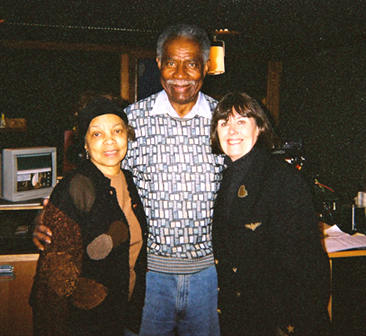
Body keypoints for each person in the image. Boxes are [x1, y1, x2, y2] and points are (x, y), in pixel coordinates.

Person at [33, 24, 224, 336]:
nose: (180, 74)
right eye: (171, 62)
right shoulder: (131, 121)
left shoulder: (225, 123)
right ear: (159, 63)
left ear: (206, 66)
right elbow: (96, 174)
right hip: (147, 277)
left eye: (191, 63)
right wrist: (50, 216)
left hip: (207, 275)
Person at [210, 92, 332, 336]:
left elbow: (307, 266)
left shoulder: (282, 178)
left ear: (259, 129)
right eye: (224, 123)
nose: (232, 130)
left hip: (280, 317)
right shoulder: (229, 176)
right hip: (243, 314)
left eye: (242, 121)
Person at [30, 97, 148, 335]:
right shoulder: (76, 187)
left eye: (117, 131)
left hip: (121, 313)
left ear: (128, 136)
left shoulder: (128, 182)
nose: (109, 140)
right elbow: (55, 280)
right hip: (85, 322)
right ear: (84, 143)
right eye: (97, 134)